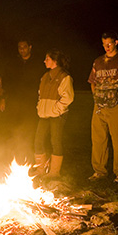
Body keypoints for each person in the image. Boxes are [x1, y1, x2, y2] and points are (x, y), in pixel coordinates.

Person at [88, 31, 118, 183]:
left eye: (109, 44)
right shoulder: (98, 61)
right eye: (104, 44)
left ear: (116, 42)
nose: (106, 47)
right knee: (98, 139)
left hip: (115, 105)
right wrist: (95, 96)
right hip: (99, 105)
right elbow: (92, 81)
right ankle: (99, 171)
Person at [31, 49, 74, 180]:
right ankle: (41, 169)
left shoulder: (64, 77)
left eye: (47, 59)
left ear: (55, 61)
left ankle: (54, 172)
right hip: (44, 114)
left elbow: (68, 97)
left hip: (57, 115)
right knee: (38, 141)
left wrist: (57, 109)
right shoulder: (45, 76)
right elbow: (40, 94)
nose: (44, 61)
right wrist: (40, 107)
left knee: (55, 141)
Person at [1, 39, 45, 164]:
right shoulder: (13, 63)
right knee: (14, 129)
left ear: (30, 47)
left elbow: (41, 82)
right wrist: (4, 98)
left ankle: (29, 158)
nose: (22, 50)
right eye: (20, 47)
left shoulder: (37, 64)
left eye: (24, 47)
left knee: (30, 129)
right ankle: (14, 158)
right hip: (15, 103)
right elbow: (7, 82)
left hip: (31, 103)